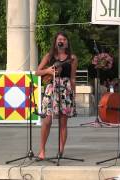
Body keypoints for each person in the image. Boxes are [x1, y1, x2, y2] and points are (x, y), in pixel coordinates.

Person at [35, 32, 78, 160]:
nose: (62, 41)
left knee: (63, 122)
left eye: (64, 39)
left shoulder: (73, 58)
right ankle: (42, 151)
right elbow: (37, 72)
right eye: (60, 39)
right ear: (55, 42)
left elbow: (73, 77)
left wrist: (73, 95)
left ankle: (60, 150)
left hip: (65, 89)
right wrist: (48, 70)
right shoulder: (49, 56)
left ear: (67, 42)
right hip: (51, 88)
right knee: (47, 121)